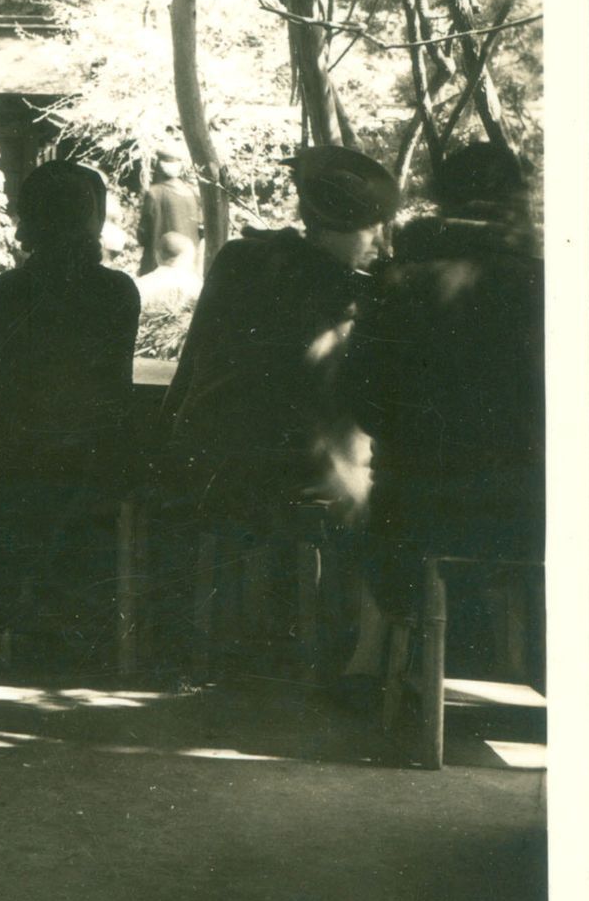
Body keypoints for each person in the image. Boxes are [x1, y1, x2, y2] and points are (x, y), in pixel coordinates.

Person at [0, 160, 142, 659]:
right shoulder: (119, 292)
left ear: (28, 222)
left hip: (18, 464)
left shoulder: (0, 294)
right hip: (96, 464)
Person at [343, 142, 544, 604]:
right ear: (516, 201)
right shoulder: (546, 286)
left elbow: (365, 406)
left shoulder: (394, 284)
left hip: (410, 528)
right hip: (523, 531)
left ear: (443, 201)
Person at [163, 145, 398, 532]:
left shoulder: (240, 258)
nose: (381, 243)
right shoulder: (334, 292)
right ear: (328, 229)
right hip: (267, 482)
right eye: (370, 229)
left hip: (198, 464)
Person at [138, 142, 204, 276]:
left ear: (159, 166)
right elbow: (200, 229)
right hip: (188, 266)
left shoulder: (154, 193)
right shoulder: (193, 193)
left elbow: (143, 234)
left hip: (159, 265)